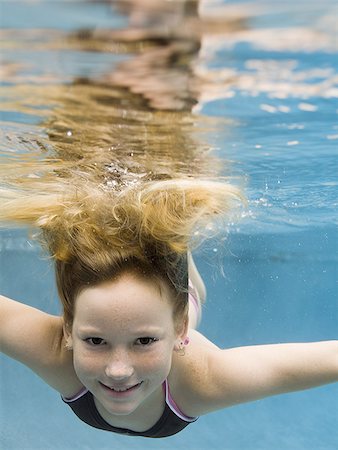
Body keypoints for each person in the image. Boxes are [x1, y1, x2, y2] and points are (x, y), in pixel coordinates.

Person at [0, 173, 338, 439]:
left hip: (179, 301)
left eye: (145, 341)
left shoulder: (200, 380)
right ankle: (166, 243)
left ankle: (175, 251)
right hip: (161, 302)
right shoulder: (55, 350)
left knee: (191, 294)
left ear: (180, 331)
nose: (118, 371)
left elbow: (296, 367)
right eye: (95, 340)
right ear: (68, 327)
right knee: (165, 260)